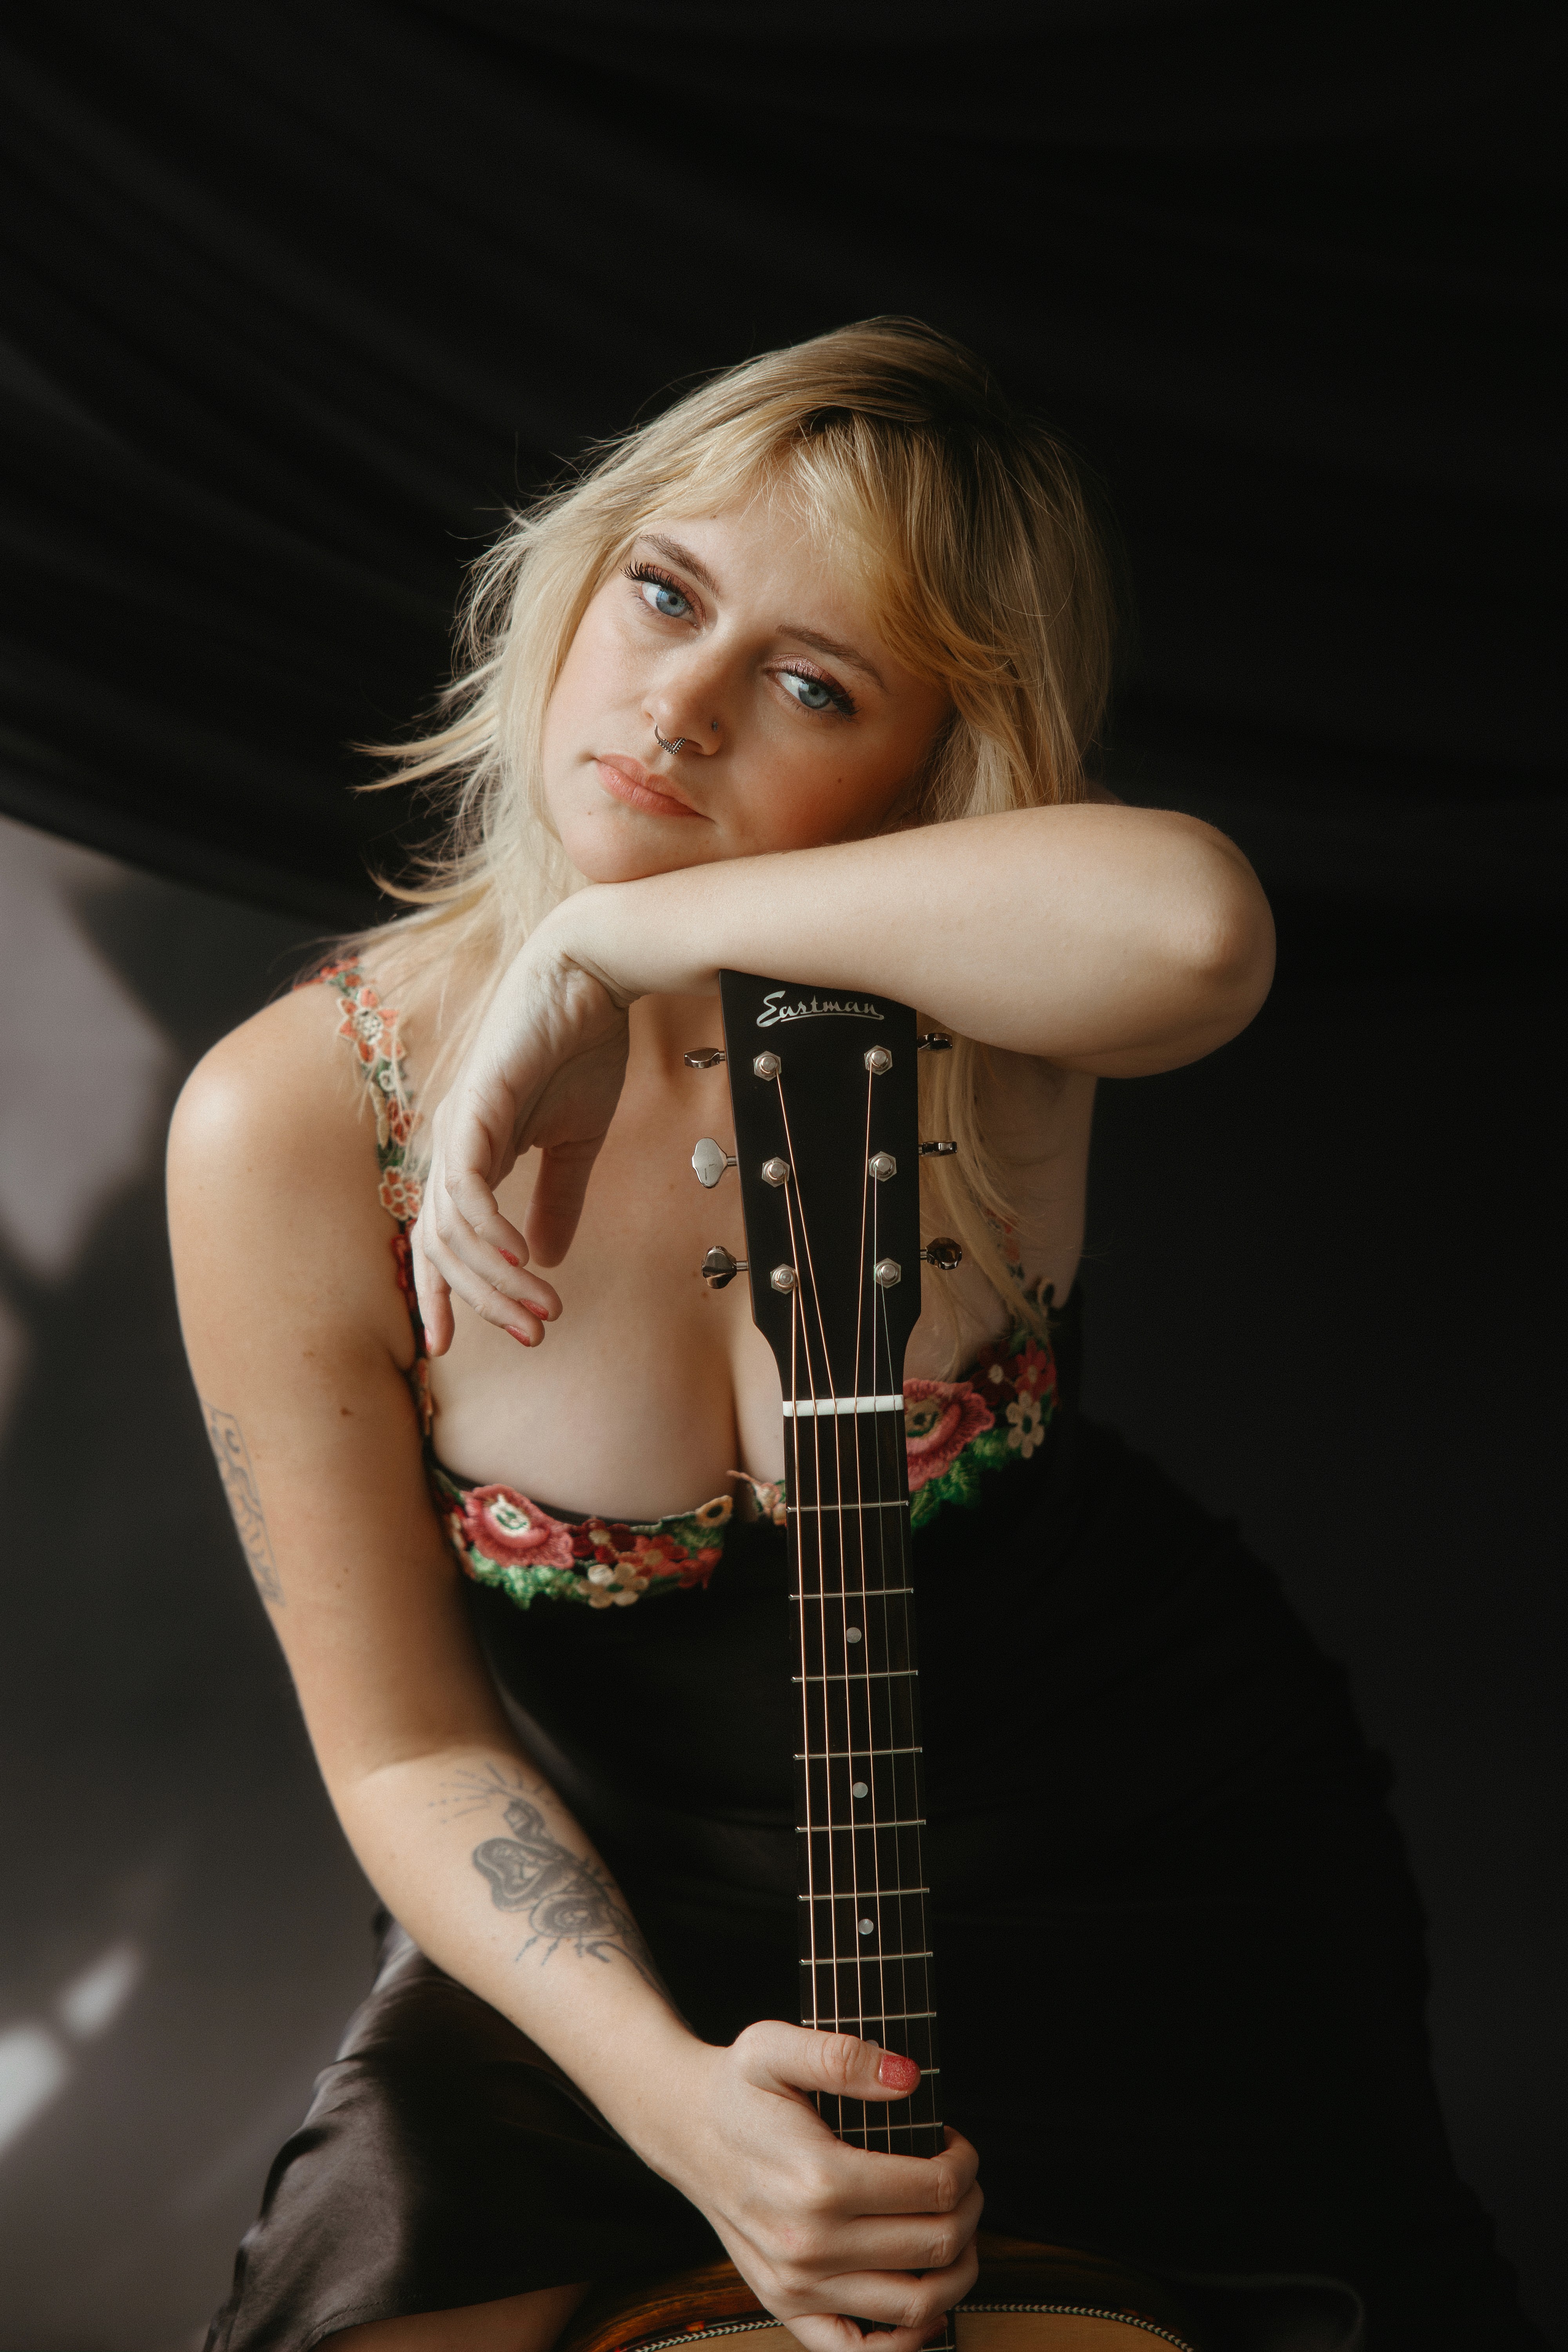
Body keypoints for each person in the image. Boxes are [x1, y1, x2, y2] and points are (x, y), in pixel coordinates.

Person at [169, 322, 1538, 2352]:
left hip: (1122, 1867)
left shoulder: (985, 1012)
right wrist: (670, 2105)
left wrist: (611, 937)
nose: (682, 705)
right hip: (613, 1928)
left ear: (926, 767)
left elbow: (1205, 933)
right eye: (666, 593)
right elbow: (409, 1748)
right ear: (583, 569)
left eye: (815, 684)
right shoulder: (293, 1127)